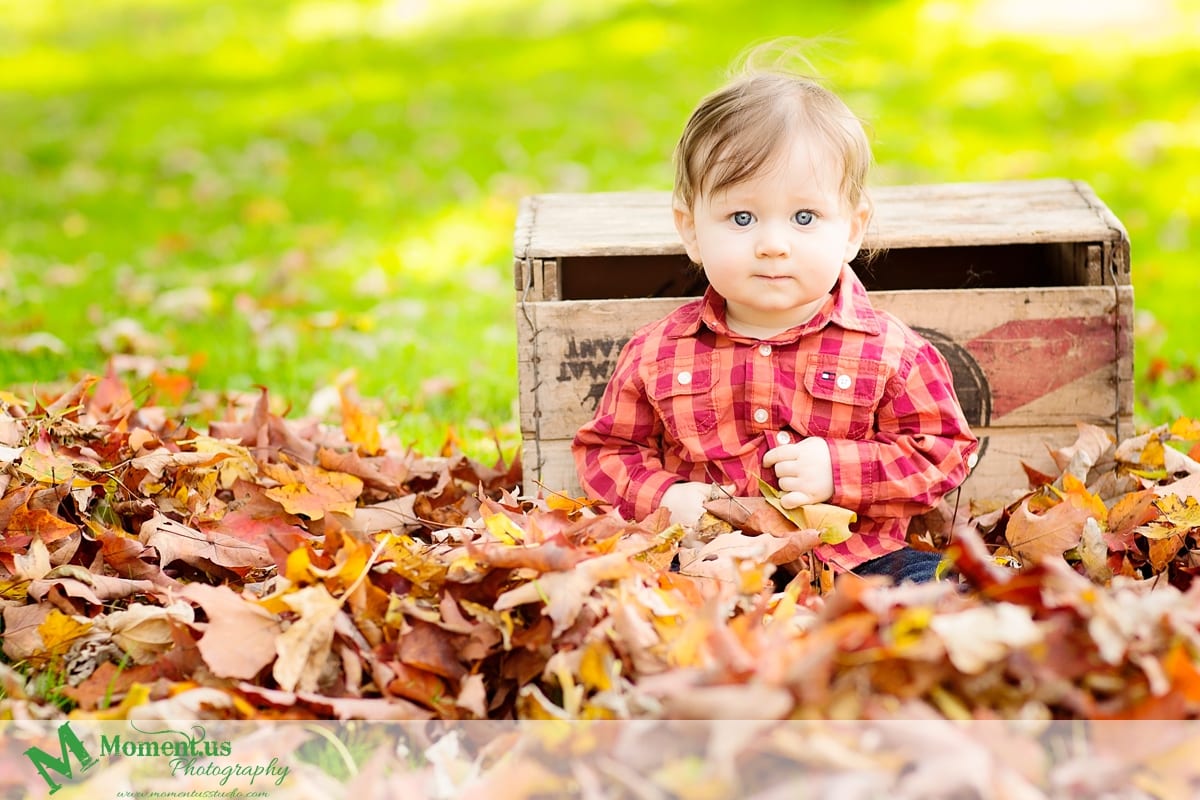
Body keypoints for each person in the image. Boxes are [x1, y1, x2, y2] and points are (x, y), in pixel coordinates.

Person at [571, 54, 979, 583]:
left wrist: (839, 471)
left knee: (946, 586)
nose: (772, 245)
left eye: (804, 218)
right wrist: (667, 497)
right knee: (614, 587)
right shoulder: (659, 351)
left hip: (855, 561)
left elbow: (943, 453)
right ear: (691, 229)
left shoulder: (891, 353)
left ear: (852, 229)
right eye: (741, 218)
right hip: (702, 560)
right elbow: (607, 451)